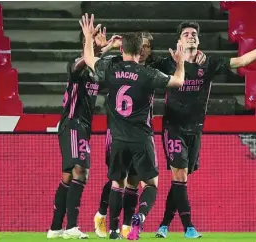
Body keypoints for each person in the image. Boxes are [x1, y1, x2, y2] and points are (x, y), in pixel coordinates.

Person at [153, 21, 256, 239]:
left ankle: (164, 225)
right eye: (186, 34)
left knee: (181, 178)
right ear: (179, 41)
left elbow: (242, 61)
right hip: (173, 127)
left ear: (198, 40)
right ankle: (189, 228)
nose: (191, 36)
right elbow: (140, 59)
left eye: (194, 34)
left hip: (195, 129)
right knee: (180, 175)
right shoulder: (168, 63)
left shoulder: (210, 63)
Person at [80, 13, 186, 240]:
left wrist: (89, 37)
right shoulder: (148, 74)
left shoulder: (111, 69)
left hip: (117, 138)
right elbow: (178, 82)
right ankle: (141, 217)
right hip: (142, 138)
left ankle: (115, 230)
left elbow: (89, 59)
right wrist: (180, 64)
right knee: (151, 184)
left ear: (122, 50)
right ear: (141, 52)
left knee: (118, 182)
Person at [94, 31, 206, 239]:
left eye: (148, 46)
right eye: (142, 46)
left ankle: (120, 227)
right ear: (138, 49)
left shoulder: (119, 66)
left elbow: (94, 62)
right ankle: (103, 214)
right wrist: (182, 62)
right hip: (131, 134)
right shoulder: (143, 71)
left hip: (120, 134)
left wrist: (199, 55)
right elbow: (177, 80)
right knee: (122, 181)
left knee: (130, 182)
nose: (145, 49)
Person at [46, 23, 120, 239]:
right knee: (81, 170)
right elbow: (81, 62)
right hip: (72, 123)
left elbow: (96, 62)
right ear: (85, 41)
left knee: (68, 176)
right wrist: (96, 44)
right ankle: (71, 227)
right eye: (93, 36)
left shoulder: (95, 70)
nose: (98, 39)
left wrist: (108, 48)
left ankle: (56, 227)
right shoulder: (76, 65)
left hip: (83, 127)